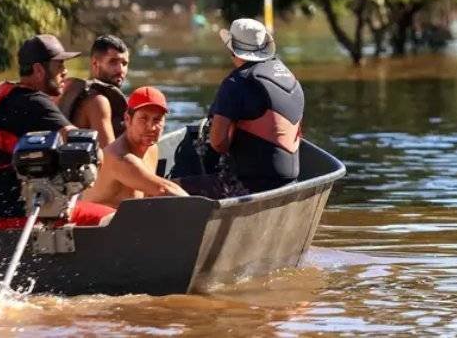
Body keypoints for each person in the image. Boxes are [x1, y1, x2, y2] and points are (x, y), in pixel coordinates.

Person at [0, 34, 115, 226]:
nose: (65, 71)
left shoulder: (8, 96)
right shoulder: (34, 102)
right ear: (39, 69)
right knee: (113, 218)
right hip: (20, 214)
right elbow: (82, 142)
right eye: (59, 65)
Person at [208, 18, 305, 194]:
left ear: (232, 49)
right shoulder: (289, 77)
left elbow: (217, 143)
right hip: (292, 180)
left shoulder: (235, 82)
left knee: (178, 187)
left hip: (254, 185)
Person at [79, 86, 188, 209]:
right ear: (127, 119)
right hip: (96, 225)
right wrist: (202, 210)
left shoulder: (152, 148)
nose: (151, 127)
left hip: (129, 221)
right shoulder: (119, 157)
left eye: (157, 120)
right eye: (143, 119)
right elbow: (162, 189)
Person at [58, 34, 130, 144]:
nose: (120, 70)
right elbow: (108, 155)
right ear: (95, 63)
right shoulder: (98, 101)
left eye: (124, 63)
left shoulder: (69, 89)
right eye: (113, 62)